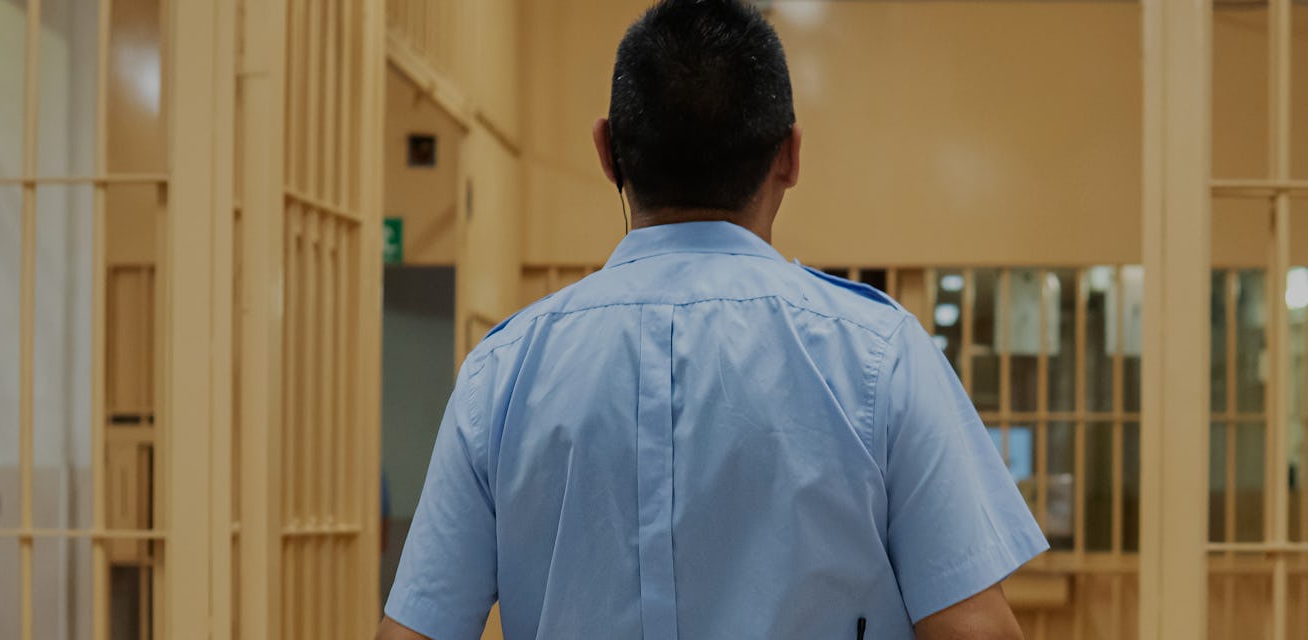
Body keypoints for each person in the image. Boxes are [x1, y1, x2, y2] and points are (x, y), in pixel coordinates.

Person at [376, 1, 1044, 637]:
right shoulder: (880, 357)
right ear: (789, 155)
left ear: (608, 151)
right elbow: (974, 631)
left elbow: (413, 632)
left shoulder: (503, 373)